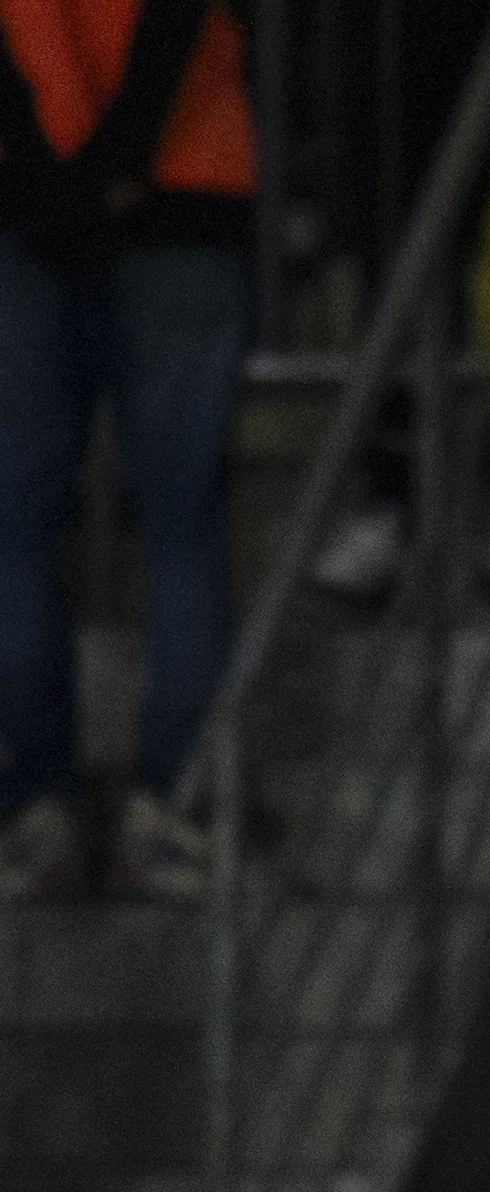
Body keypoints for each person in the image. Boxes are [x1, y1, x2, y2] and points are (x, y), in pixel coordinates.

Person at [0, 0, 255, 901]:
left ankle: (36, 815)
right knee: (182, 524)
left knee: (18, 524)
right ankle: (171, 810)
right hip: (186, 182)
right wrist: (127, 150)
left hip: (18, 196)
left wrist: (40, 165)